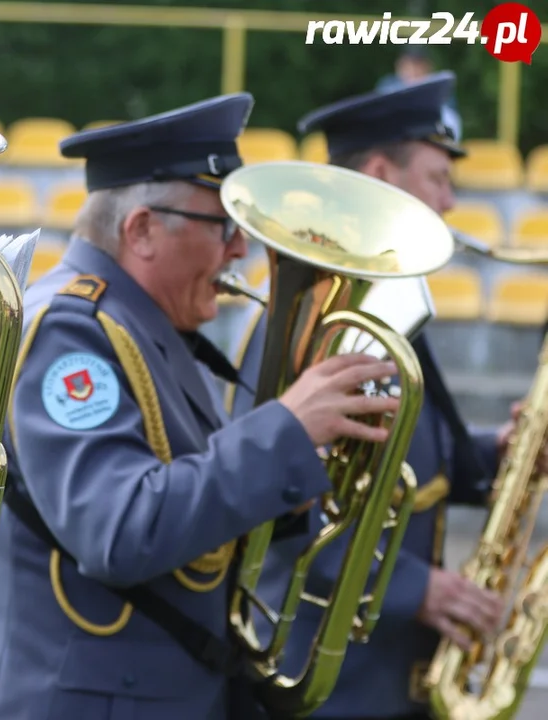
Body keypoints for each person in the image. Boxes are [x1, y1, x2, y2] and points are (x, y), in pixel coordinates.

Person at [0, 93, 406, 720]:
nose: (240, 251)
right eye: (224, 225)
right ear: (141, 230)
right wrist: (283, 434)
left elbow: (188, 511)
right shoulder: (73, 330)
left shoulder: (140, 325)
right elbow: (118, 529)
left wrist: (297, 475)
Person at [227, 72, 507, 720]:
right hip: (327, 677)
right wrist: (419, 589)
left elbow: (412, 459)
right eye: (439, 177)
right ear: (384, 171)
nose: (452, 200)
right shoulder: (313, 317)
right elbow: (276, 505)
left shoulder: (387, 303)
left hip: (385, 669)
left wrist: (501, 454)